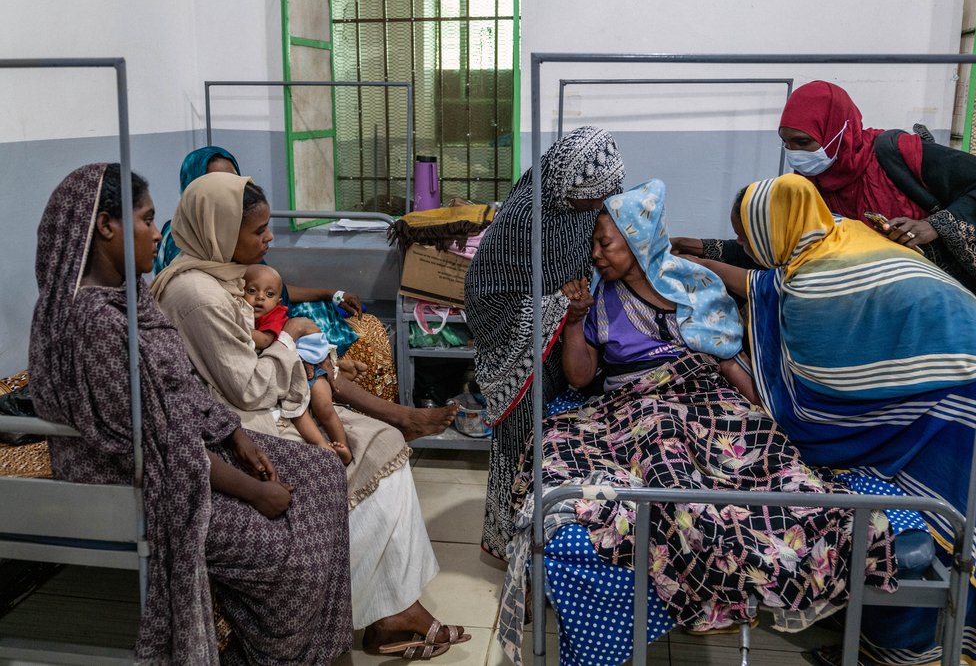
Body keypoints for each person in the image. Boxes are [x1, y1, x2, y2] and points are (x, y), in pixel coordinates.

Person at [497, 179, 900, 666]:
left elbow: (730, 362)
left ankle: (769, 511)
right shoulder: (598, 300)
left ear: (638, 237)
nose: (596, 255)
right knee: (661, 453)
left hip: (707, 397)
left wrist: (775, 425)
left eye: (605, 243)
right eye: (594, 245)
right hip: (636, 404)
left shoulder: (696, 285)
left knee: (764, 451)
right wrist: (575, 321)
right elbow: (582, 379)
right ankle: (691, 518)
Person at [29, 163, 353, 663]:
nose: (158, 234)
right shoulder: (95, 324)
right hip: (143, 483)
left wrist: (235, 435)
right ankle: (277, 654)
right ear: (106, 226)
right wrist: (254, 490)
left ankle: (317, 648)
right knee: (290, 554)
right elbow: (153, 445)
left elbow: (180, 389)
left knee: (325, 473)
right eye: (146, 219)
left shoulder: (131, 298)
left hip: (182, 452)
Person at [150, 172, 468, 658]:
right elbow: (249, 388)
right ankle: (382, 612)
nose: (269, 238)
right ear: (219, 229)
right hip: (242, 425)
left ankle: (395, 609)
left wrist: (294, 341)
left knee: (384, 443)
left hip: (260, 406)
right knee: (376, 455)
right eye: (258, 232)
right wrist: (291, 338)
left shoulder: (219, 277)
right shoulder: (198, 295)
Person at [718, 172, 976, 666]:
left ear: (772, 229)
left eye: (746, 236)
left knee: (948, 524)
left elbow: (806, 409)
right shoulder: (840, 232)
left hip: (962, 397)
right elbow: (764, 281)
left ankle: (908, 655)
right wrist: (697, 257)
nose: (745, 246)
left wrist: (726, 364)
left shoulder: (815, 289)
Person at [674, 81, 976, 305]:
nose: (794, 153)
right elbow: (778, 249)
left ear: (839, 131)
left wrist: (934, 227)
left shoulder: (898, 154)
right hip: (872, 305)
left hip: (938, 294)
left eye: (803, 142)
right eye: (787, 143)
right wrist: (702, 248)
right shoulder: (807, 187)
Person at [464, 125, 626, 559]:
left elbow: (578, 261)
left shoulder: (578, 209)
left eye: (599, 200)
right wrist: (556, 307)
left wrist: (572, 308)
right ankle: (507, 547)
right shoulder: (524, 219)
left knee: (549, 444)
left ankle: (543, 545)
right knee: (518, 443)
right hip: (519, 345)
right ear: (565, 185)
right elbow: (482, 293)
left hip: (559, 341)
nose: (593, 209)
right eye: (588, 199)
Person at [154, 145, 403, 403]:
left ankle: (384, 413)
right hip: (264, 329)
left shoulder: (234, 249)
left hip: (272, 316)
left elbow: (271, 287)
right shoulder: (194, 257)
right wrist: (289, 334)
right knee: (349, 345)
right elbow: (245, 371)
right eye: (218, 183)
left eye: (233, 182)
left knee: (369, 327)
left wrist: (332, 294)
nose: (268, 236)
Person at [243, 263, 352, 467]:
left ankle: (343, 446)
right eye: (251, 291)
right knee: (298, 413)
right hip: (289, 376)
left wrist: (236, 329)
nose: (260, 298)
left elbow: (266, 341)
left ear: (278, 301)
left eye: (269, 294)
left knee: (324, 406)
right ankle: (323, 446)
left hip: (307, 367)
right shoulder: (245, 316)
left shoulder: (274, 316)